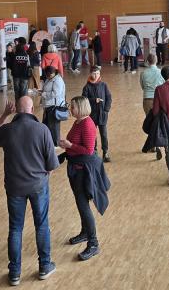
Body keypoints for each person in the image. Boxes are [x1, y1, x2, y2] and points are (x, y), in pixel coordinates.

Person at [0, 97, 60, 284]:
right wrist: (44, 176)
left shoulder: (8, 130)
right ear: (32, 109)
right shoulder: (42, 130)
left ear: (17, 111)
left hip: (14, 187)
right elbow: (52, 164)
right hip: (38, 186)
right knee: (42, 225)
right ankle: (44, 266)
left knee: (15, 228)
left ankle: (14, 273)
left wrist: (4, 114)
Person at [59, 96, 110, 261]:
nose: (70, 110)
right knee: (80, 204)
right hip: (76, 168)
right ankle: (85, 232)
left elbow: (88, 150)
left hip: (83, 170)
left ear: (80, 108)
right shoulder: (78, 122)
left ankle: (93, 243)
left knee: (83, 206)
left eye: (72, 107)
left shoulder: (87, 124)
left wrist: (69, 146)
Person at [82, 67, 112, 162]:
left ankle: (105, 152)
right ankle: (94, 152)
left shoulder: (104, 85)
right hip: (92, 116)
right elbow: (84, 100)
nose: (96, 75)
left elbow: (109, 97)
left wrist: (106, 109)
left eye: (98, 73)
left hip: (102, 114)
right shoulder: (86, 87)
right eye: (94, 73)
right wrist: (94, 100)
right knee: (92, 134)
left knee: (104, 134)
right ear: (90, 74)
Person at [140, 54, 165, 160]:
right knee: (158, 122)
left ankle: (153, 146)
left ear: (147, 61)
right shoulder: (160, 72)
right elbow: (164, 85)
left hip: (147, 100)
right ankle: (158, 144)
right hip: (159, 100)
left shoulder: (143, 73)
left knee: (150, 122)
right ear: (157, 60)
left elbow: (142, 86)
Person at [41, 66, 65, 146]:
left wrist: (43, 94)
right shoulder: (49, 79)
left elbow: (55, 93)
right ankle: (48, 143)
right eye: (47, 75)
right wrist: (40, 91)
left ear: (54, 73)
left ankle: (55, 144)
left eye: (49, 75)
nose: (48, 76)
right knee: (46, 125)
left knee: (54, 127)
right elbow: (47, 89)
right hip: (48, 105)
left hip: (54, 106)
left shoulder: (58, 80)